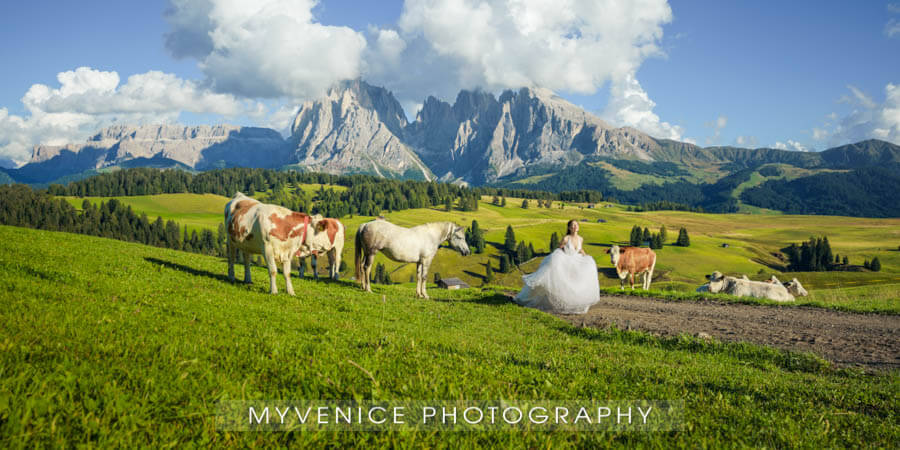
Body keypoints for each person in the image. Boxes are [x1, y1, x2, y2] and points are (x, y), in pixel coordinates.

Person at [514, 220, 600, 314]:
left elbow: (580, 249)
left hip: (576, 260)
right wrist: (559, 259)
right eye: (572, 225)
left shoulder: (580, 239)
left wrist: (586, 257)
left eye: (576, 225)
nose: (575, 227)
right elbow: (559, 249)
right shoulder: (566, 238)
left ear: (578, 227)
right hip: (566, 260)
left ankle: (575, 301)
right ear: (569, 228)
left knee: (582, 275)